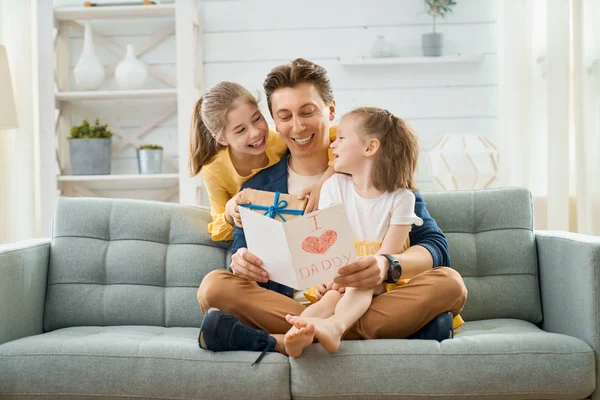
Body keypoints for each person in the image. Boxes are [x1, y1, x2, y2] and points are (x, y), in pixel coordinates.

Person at [197, 59, 468, 365]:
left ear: (331, 109)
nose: (298, 126)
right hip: (300, 304)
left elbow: (436, 247)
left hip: (372, 297)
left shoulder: (373, 169)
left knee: (450, 283)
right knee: (214, 287)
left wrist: (386, 265)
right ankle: (384, 329)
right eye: (285, 116)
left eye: (308, 111)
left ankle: (282, 340)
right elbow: (243, 261)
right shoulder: (259, 188)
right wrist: (242, 263)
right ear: (274, 121)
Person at [283, 106, 424, 357]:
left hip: (379, 278)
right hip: (342, 271)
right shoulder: (334, 186)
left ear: (370, 148)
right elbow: (328, 247)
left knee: (361, 284)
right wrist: (328, 280)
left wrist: (355, 278)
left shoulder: (402, 197)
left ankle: (335, 327)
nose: (332, 146)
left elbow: (385, 257)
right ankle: (296, 334)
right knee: (329, 299)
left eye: (341, 138)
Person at [188, 81, 333, 242]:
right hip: (254, 228)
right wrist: (229, 213)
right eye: (241, 130)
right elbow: (218, 228)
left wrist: (324, 183)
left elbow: (340, 136)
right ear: (221, 139)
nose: (255, 132)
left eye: (257, 119)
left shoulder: (279, 140)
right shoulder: (215, 169)